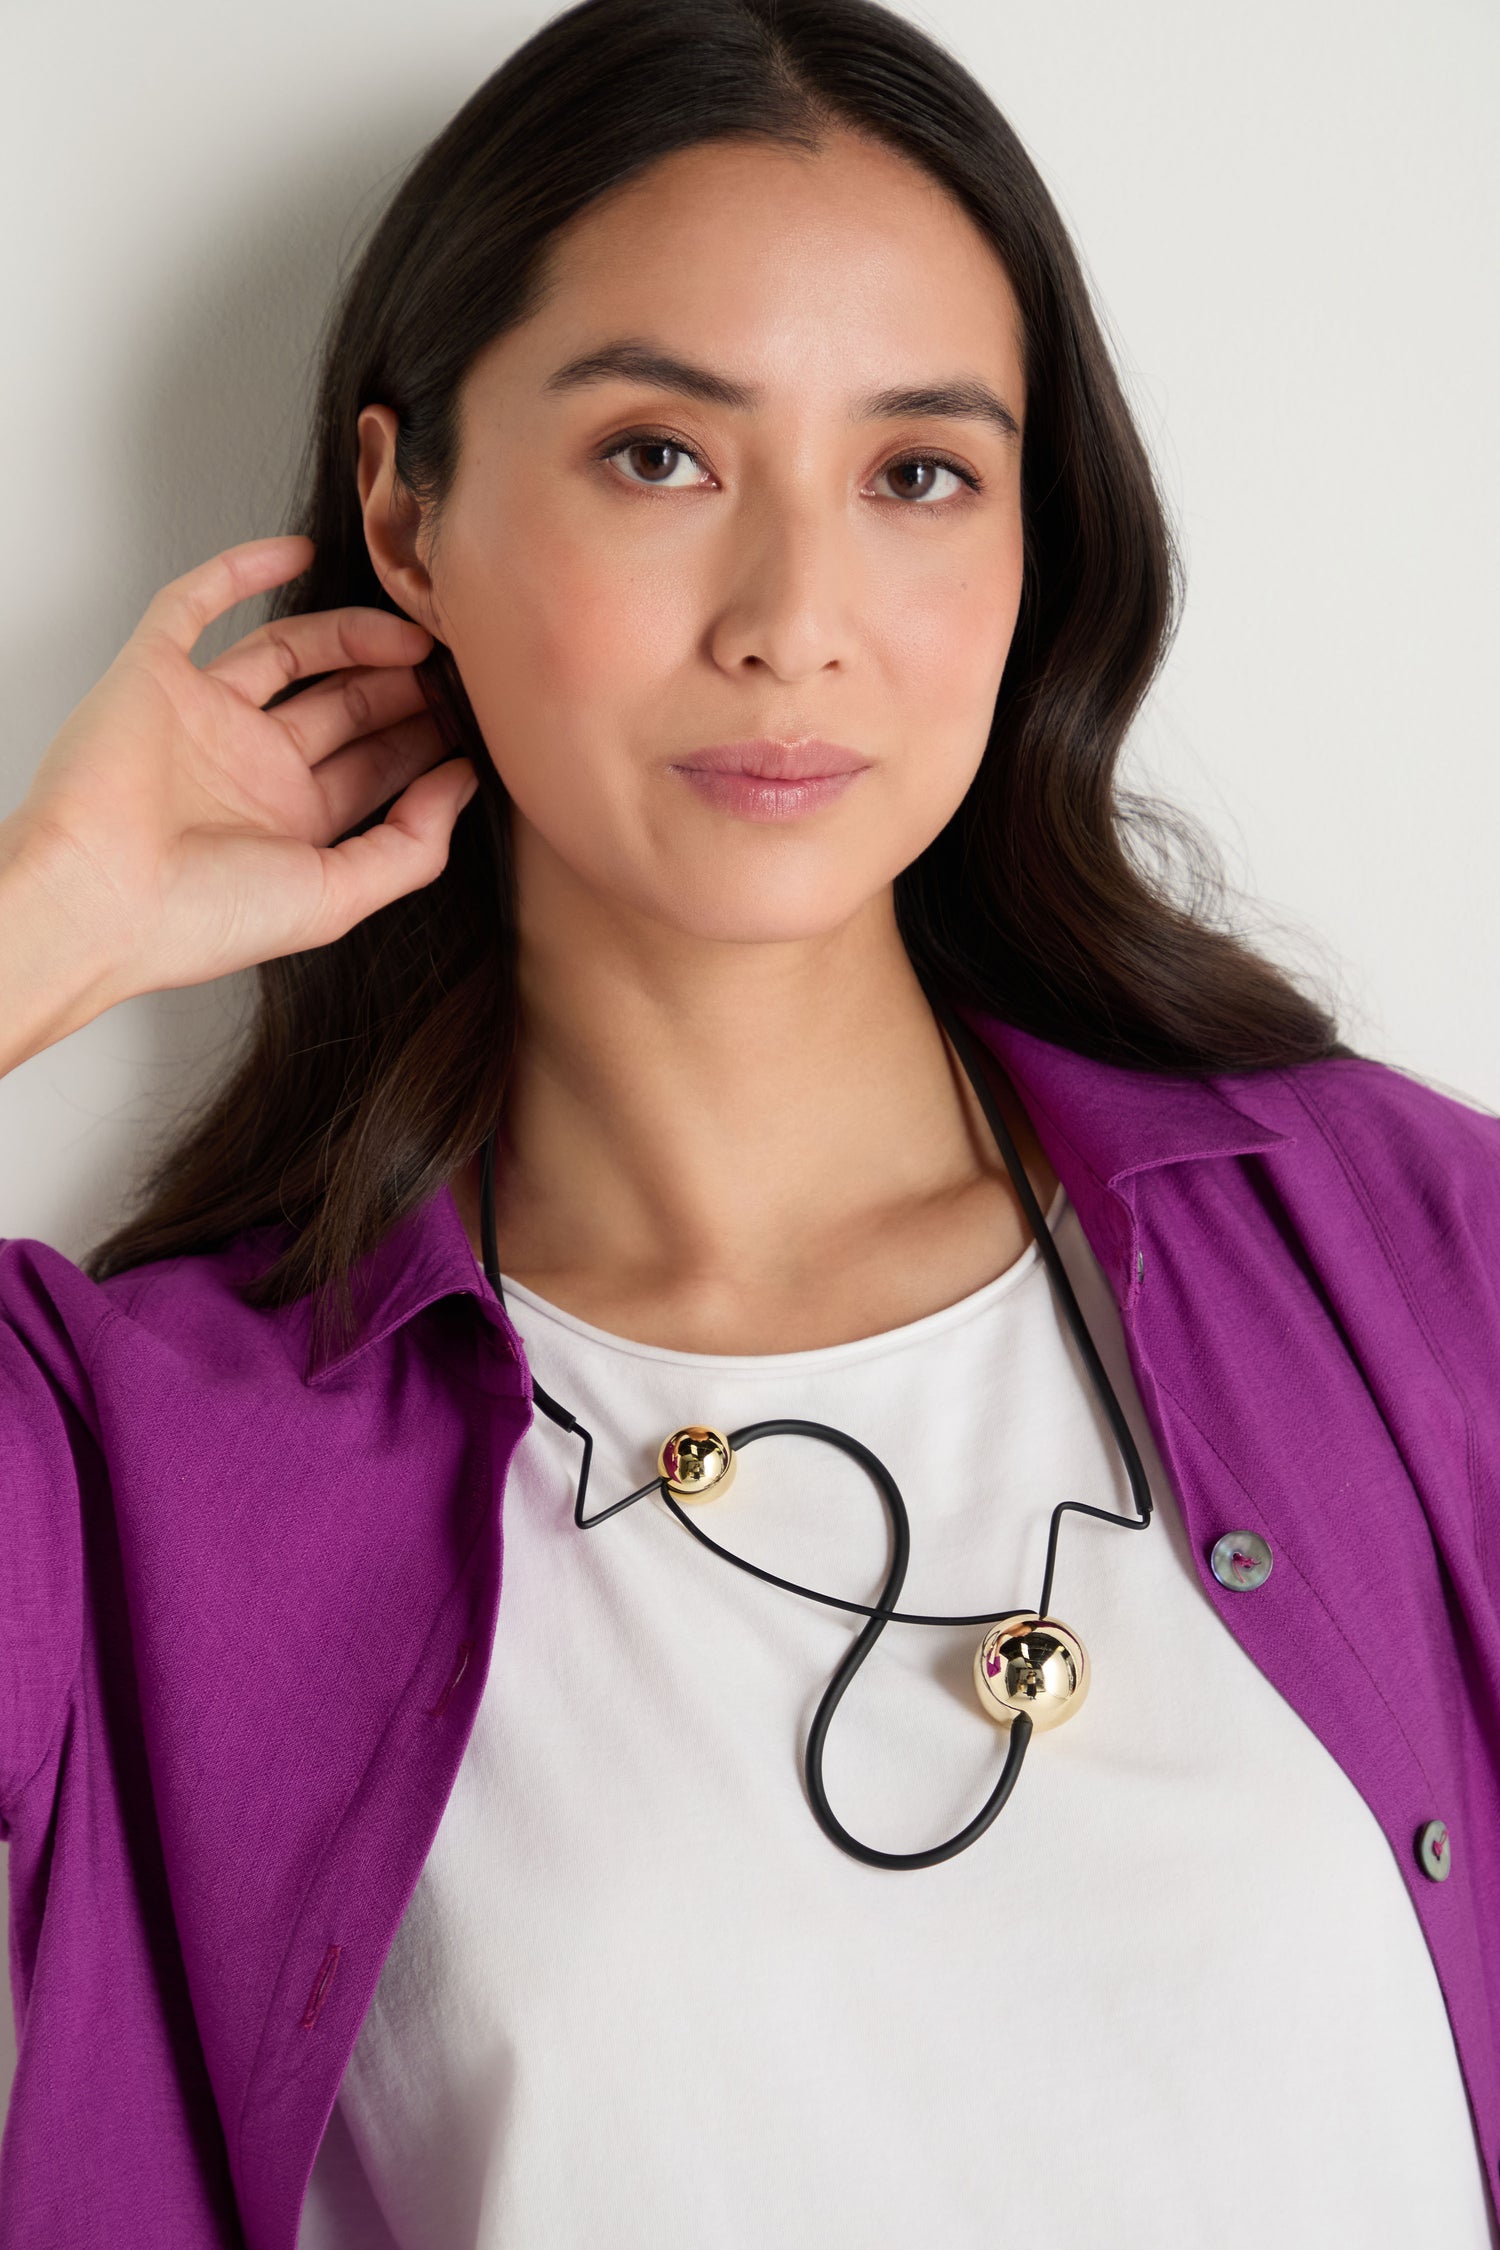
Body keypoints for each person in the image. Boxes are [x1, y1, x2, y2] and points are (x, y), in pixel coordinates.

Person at [2, 0, 1498, 2243]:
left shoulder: (1409, 1253)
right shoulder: (145, 1464)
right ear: (405, 513)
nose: (796, 622)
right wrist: (45, 918)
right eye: (659, 455)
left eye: (919, 474)